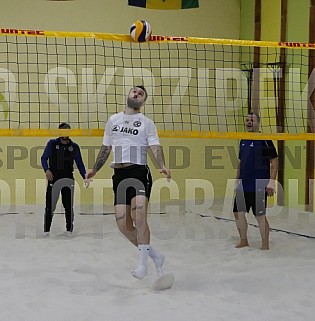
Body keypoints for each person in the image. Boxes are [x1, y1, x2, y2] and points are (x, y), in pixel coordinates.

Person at [86, 85, 171, 279]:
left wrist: (163, 165)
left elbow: (155, 146)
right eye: (134, 91)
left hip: (139, 172)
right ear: (128, 95)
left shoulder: (146, 123)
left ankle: (143, 265)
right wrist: (94, 169)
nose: (136, 94)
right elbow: (106, 148)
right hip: (119, 175)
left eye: (141, 93)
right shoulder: (113, 120)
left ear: (143, 101)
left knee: (139, 216)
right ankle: (156, 256)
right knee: (123, 225)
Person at [233, 112, 278, 250]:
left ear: (258, 123)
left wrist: (271, 182)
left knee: (260, 215)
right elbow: (241, 163)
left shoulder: (264, 140)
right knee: (237, 212)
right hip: (244, 184)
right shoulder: (243, 140)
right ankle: (243, 241)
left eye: (251, 120)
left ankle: (265, 245)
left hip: (259, 184)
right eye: (246, 120)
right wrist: (237, 180)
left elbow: (275, 162)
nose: (248, 122)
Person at [41, 122, 89, 235]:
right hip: (54, 178)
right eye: (62, 130)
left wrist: (85, 177)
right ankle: (46, 231)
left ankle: (69, 230)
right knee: (50, 205)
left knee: (68, 205)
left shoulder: (74, 147)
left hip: (68, 178)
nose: (65, 133)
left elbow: (80, 163)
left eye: (67, 130)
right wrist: (46, 170)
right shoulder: (52, 144)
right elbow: (43, 158)